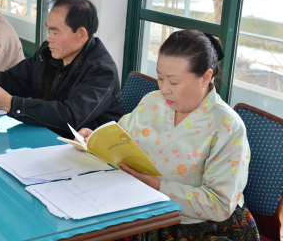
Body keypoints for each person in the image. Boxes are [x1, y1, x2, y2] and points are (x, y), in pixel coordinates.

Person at [79, 30, 259, 240]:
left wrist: (157, 186)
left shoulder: (227, 126)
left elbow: (220, 204)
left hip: (198, 228)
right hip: (137, 210)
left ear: (206, 77)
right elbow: (119, 139)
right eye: (160, 77)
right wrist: (92, 139)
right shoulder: (151, 102)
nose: (164, 89)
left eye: (173, 82)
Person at [0, 0, 124, 138]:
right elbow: (14, 79)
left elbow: (69, 118)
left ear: (81, 35)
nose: (49, 38)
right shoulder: (49, 52)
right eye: (48, 30)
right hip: (45, 136)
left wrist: (11, 104)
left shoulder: (101, 71)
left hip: (88, 156)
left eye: (55, 31)